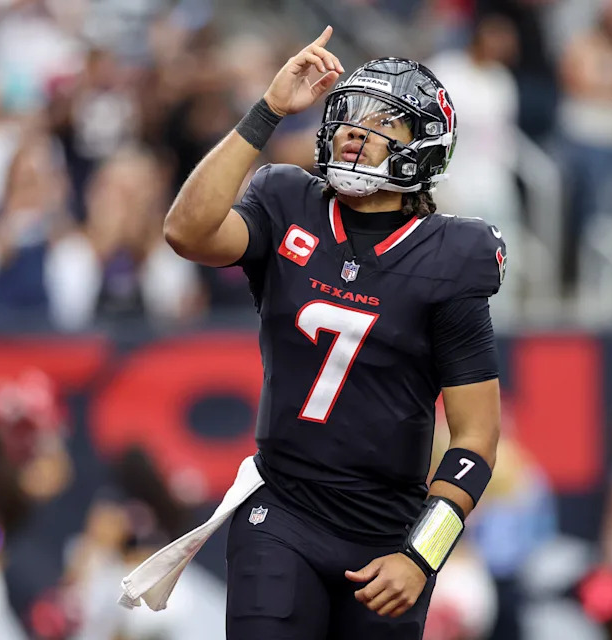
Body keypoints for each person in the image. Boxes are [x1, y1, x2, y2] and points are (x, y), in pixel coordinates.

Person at [163, 26, 505, 640]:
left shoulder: (451, 255)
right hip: (282, 509)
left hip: (386, 536)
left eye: (383, 124)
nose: (355, 130)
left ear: (422, 149)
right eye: (349, 116)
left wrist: (422, 556)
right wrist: (267, 111)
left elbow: (476, 442)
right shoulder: (286, 199)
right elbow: (186, 231)